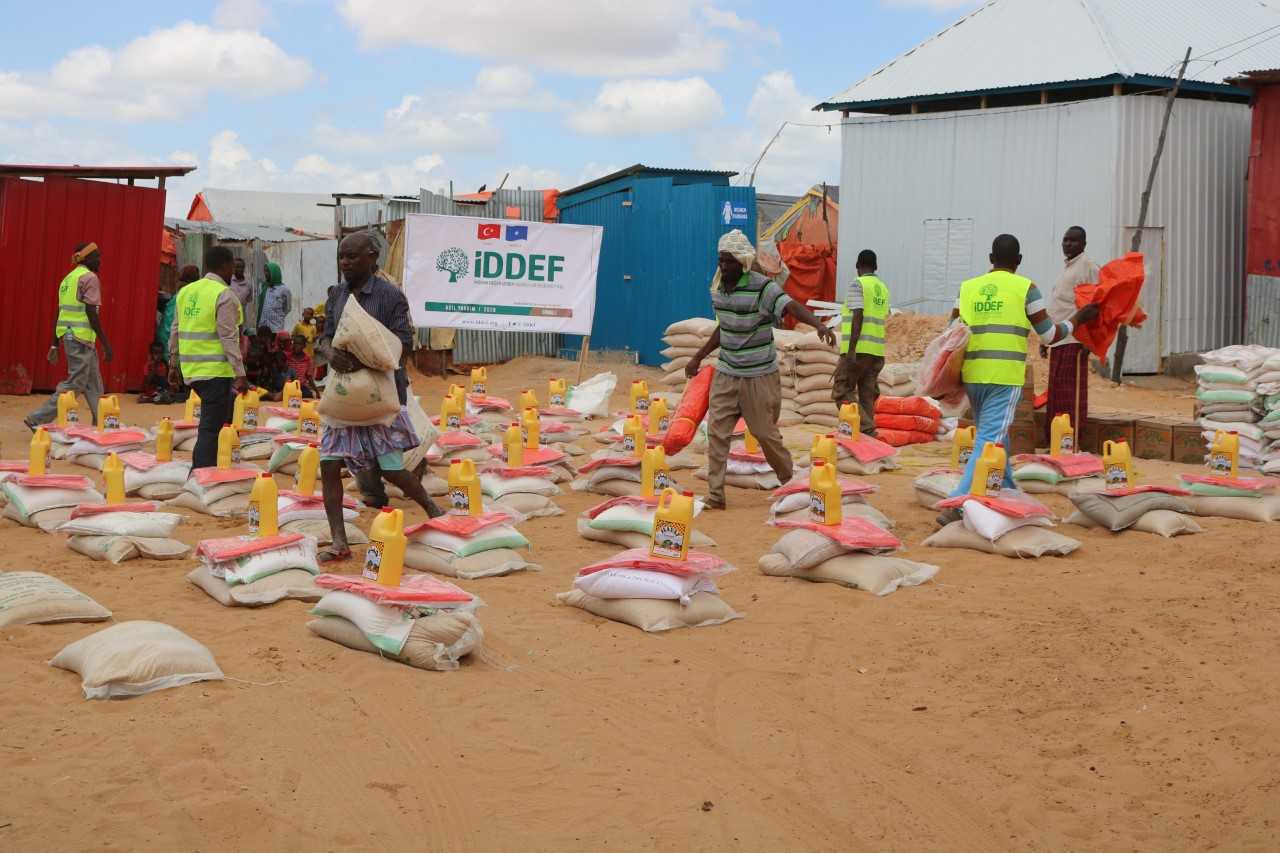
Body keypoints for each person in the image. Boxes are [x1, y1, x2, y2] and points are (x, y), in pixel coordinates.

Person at [939, 234, 1099, 524]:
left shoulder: (967, 288)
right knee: (990, 439)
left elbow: (952, 329)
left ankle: (1008, 485)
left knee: (998, 433)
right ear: (1019, 261)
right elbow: (1050, 335)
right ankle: (958, 504)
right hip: (1004, 377)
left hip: (973, 376)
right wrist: (1078, 318)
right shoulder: (1027, 288)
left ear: (990, 259)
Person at [686, 229, 836, 509]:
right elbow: (725, 326)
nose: (723, 266)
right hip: (727, 373)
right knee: (717, 433)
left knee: (765, 435)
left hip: (758, 376)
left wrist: (818, 325)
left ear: (742, 262)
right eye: (721, 260)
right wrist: (698, 357)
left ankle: (791, 482)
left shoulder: (763, 288)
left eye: (729, 261)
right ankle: (716, 495)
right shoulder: (718, 288)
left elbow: (790, 306)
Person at [317, 231, 442, 561]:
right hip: (343, 395)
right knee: (329, 465)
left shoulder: (390, 297)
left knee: (391, 469)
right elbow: (325, 338)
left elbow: (403, 344)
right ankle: (339, 542)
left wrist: (363, 357)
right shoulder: (337, 295)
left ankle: (432, 507)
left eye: (352, 256)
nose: (345, 262)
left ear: (372, 257)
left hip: (379, 394)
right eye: (342, 256)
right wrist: (331, 355)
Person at [169, 245, 248, 469]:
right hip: (216, 372)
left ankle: (215, 467)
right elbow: (228, 337)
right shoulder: (224, 295)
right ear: (225, 266)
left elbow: (175, 330)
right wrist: (240, 373)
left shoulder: (186, 292)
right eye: (232, 265)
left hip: (191, 371)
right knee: (211, 429)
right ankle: (201, 474)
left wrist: (173, 365)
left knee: (217, 422)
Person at [26, 242, 113, 430]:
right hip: (80, 338)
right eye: (97, 256)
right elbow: (91, 312)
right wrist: (106, 343)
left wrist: (55, 344)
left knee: (93, 382)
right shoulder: (89, 278)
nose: (100, 261)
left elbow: (60, 313)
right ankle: (37, 419)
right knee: (75, 383)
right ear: (86, 258)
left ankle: (102, 422)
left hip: (72, 336)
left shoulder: (67, 280)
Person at [1042, 226, 1099, 446]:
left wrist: (1089, 340)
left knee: (1071, 396)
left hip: (1075, 342)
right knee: (1056, 394)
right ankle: (1055, 440)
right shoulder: (1066, 270)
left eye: (1074, 241)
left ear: (1083, 244)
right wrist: (1045, 340)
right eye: (1065, 240)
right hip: (1058, 339)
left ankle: (1072, 442)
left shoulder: (1088, 267)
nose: (1068, 245)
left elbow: (1096, 306)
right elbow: (1060, 307)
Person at [832, 249, 889, 436]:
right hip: (877, 351)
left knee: (842, 390)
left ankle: (867, 430)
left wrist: (851, 350)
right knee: (867, 396)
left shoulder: (858, 284)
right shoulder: (882, 288)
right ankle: (867, 439)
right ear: (876, 267)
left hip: (859, 350)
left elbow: (858, 315)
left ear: (857, 267)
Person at [244, 326, 286, 398]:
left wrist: (272, 351)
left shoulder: (268, 347)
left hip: (264, 380)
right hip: (253, 377)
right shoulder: (255, 347)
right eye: (266, 337)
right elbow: (254, 362)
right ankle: (270, 395)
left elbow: (280, 366)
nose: (267, 340)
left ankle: (269, 393)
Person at [258, 261, 291, 333]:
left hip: (276, 327)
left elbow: (287, 308)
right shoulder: (263, 287)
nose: (266, 274)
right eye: (265, 271)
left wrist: (277, 315)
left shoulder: (284, 289)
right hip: (263, 326)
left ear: (274, 272)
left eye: (268, 271)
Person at [285, 332, 317, 397]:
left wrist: (316, 391)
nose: (296, 346)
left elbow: (309, 377)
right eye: (295, 343)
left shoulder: (308, 360)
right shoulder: (287, 357)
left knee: (307, 394)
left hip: (301, 386)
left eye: (299, 344)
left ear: (304, 346)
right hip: (288, 385)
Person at [229, 257, 254, 335]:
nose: (239, 269)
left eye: (241, 267)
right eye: (237, 267)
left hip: (241, 317)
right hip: (228, 315)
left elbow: (249, 299)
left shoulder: (248, 284)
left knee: (241, 338)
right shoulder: (228, 281)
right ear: (233, 268)